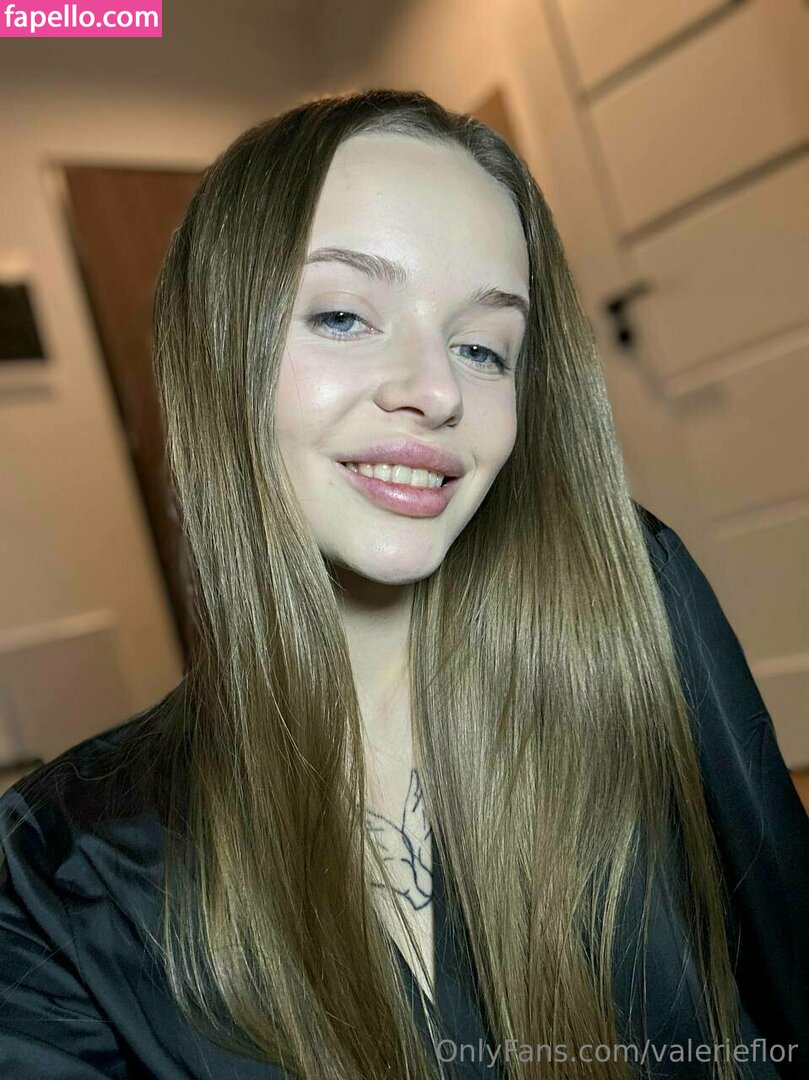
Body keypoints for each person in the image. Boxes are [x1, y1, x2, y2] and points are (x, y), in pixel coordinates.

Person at [0, 89, 807, 1080]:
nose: (436, 389)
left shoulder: (627, 604)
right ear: (214, 354)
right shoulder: (58, 868)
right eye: (343, 315)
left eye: (481, 347)